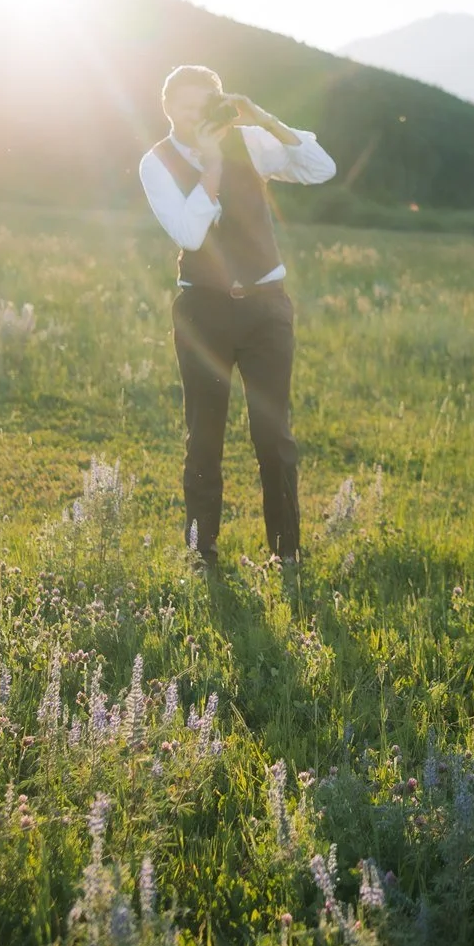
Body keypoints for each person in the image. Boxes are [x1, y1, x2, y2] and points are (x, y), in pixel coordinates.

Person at [138, 65, 336, 571]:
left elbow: (319, 168)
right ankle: (201, 552)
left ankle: (287, 553)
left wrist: (266, 119)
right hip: (203, 312)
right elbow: (188, 234)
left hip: (267, 307)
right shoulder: (155, 162)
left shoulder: (249, 140)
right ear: (168, 108)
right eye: (186, 105)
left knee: (274, 434)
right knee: (204, 435)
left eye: (207, 102)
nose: (197, 113)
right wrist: (209, 168)